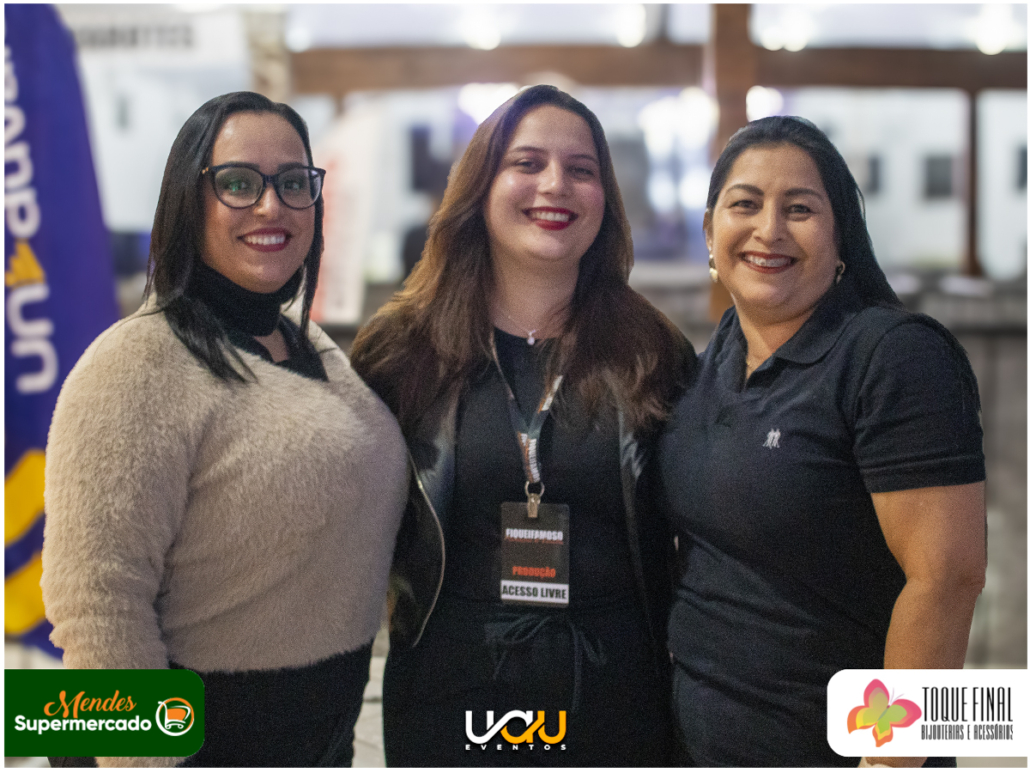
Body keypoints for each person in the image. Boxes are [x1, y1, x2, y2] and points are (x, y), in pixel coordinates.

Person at [41, 91, 408, 767]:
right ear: (190, 199)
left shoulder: (305, 343)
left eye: (293, 182)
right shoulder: (133, 364)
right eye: (239, 183)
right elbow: (95, 607)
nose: (272, 206)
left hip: (317, 734)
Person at [350, 84, 694, 767]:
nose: (555, 185)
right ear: (480, 187)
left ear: (605, 198)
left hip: (616, 686)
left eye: (581, 169)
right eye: (527, 163)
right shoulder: (402, 349)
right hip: (451, 682)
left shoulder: (652, 350)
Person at [658, 116, 987, 767]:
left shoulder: (892, 356)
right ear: (710, 232)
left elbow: (948, 578)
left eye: (800, 209)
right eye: (745, 204)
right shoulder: (702, 368)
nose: (769, 229)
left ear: (841, 240)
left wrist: (889, 759)